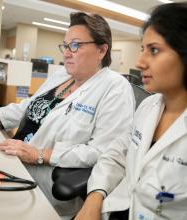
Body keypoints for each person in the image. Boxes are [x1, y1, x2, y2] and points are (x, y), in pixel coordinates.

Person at [0, 12, 134, 218]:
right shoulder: (62, 75)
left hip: (43, 183)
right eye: (65, 46)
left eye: (75, 45)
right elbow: (26, 107)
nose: (66, 53)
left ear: (102, 50)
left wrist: (39, 154)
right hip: (13, 159)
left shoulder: (115, 88)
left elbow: (102, 151)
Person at [75, 3, 187, 220]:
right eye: (142, 49)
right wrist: (94, 197)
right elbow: (117, 154)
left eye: (154, 50)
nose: (140, 62)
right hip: (117, 209)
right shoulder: (148, 107)